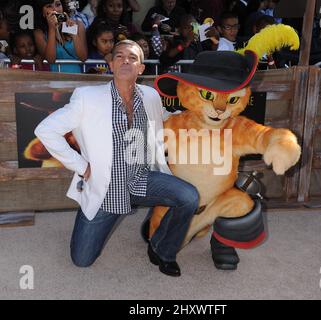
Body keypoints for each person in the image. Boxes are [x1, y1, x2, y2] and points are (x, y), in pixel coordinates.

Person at [34, 39, 199, 277]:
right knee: (81, 260)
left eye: (132, 58)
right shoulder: (87, 97)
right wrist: (81, 166)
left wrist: (193, 116)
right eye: (119, 56)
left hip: (142, 178)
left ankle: (162, 249)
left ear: (141, 68)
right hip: (107, 188)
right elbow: (45, 130)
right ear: (111, 64)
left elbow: (164, 116)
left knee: (189, 196)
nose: (125, 61)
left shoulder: (150, 96)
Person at [34, 0, 87, 73]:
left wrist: (73, 32)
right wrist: (52, 29)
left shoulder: (79, 25)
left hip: (77, 79)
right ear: (43, 12)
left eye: (58, 5)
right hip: (54, 80)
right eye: (49, 6)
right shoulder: (39, 33)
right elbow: (50, 60)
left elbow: (83, 57)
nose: (55, 9)